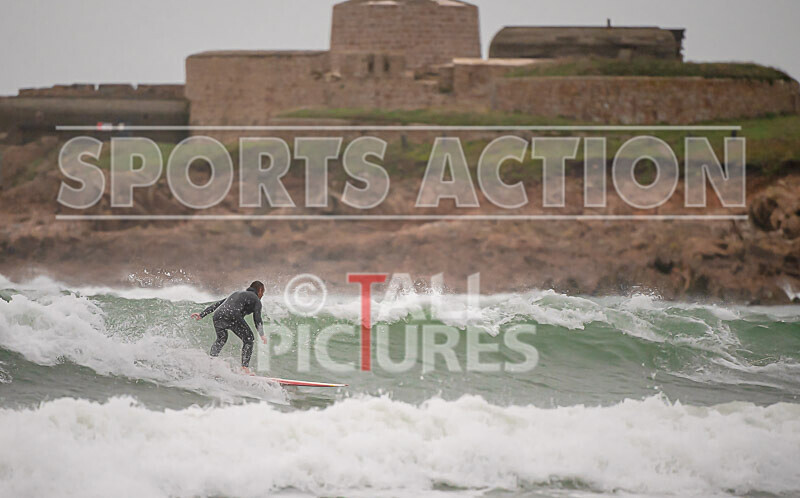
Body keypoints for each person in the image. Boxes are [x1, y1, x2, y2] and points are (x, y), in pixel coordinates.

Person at [192, 281, 267, 375]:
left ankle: (212, 360)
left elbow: (218, 304)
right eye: (263, 292)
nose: (262, 295)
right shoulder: (256, 300)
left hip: (218, 315)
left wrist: (202, 314)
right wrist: (262, 334)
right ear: (260, 290)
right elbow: (257, 318)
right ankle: (244, 368)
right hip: (232, 315)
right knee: (249, 339)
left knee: (221, 338)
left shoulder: (237, 293)